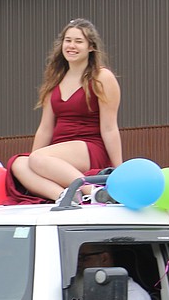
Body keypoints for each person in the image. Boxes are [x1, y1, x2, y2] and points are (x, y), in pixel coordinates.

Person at [8, 19, 124, 204]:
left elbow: (109, 128)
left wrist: (119, 169)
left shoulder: (102, 77)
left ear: (91, 47)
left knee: (37, 159)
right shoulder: (55, 80)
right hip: (58, 149)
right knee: (18, 164)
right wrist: (34, 163)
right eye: (68, 40)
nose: (72, 46)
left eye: (79, 41)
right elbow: (45, 128)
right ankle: (67, 198)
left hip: (89, 146)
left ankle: (93, 192)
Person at [66, 244, 153, 300]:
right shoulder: (74, 285)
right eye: (77, 258)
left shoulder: (132, 295)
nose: (78, 264)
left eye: (84, 258)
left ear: (104, 258)